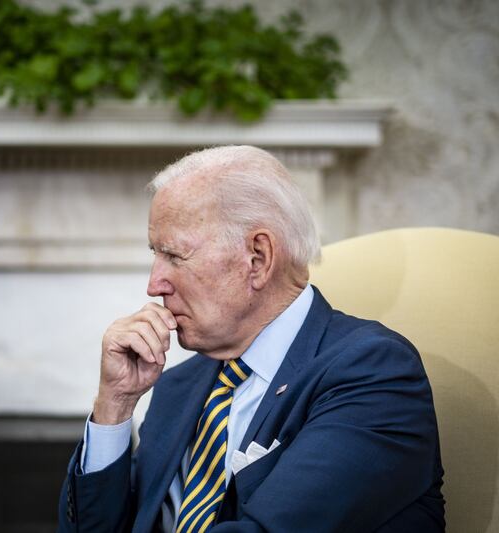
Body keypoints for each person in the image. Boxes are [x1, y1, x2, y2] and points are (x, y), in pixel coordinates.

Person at [57, 145, 445, 533]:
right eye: (155, 255)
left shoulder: (373, 374)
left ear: (257, 258)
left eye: (174, 256)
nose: (154, 284)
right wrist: (115, 405)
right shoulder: (178, 385)